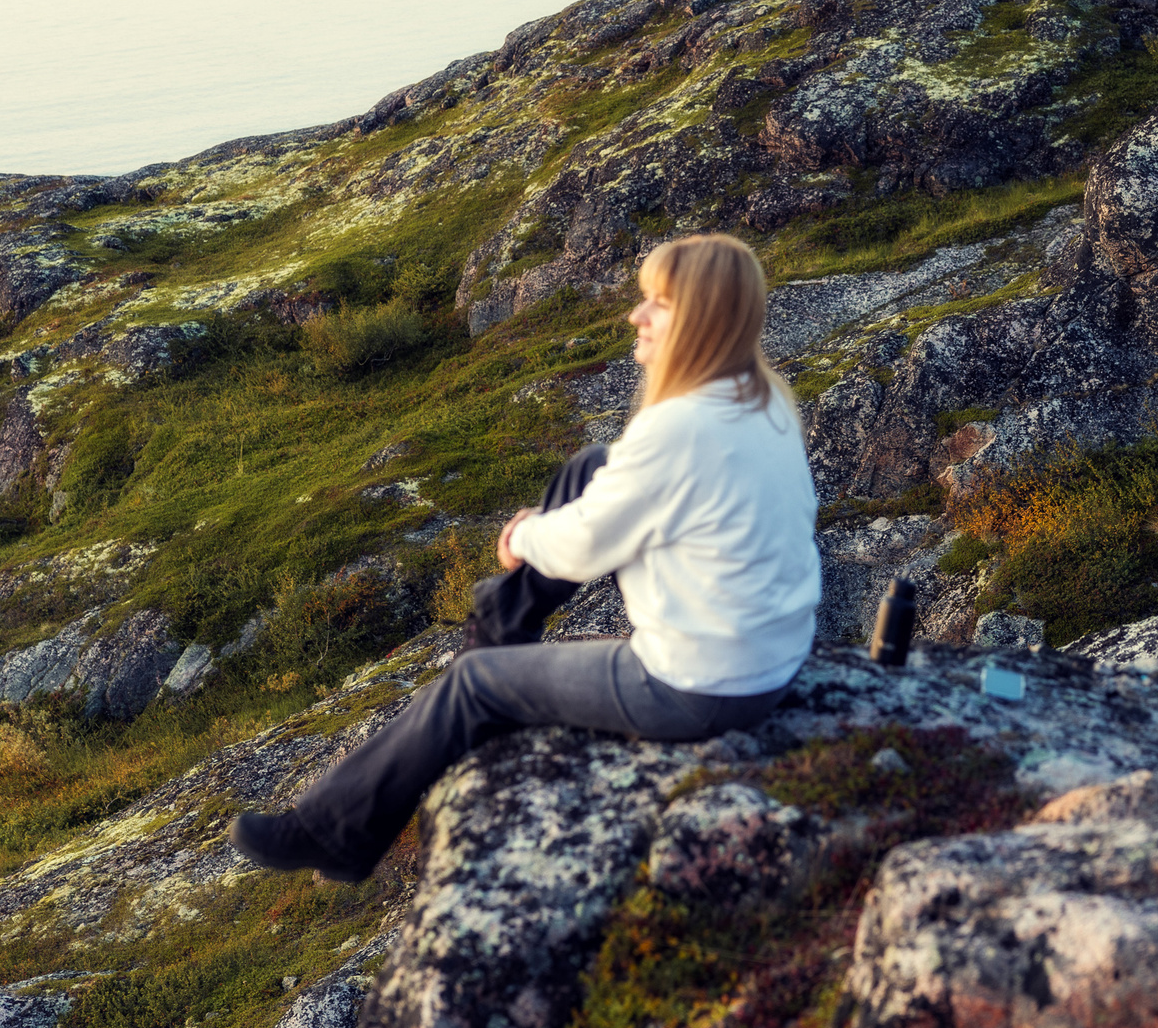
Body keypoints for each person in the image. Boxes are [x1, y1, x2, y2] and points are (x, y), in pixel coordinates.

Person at [229, 233, 820, 882]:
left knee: (471, 685)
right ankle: (502, 630)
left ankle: (330, 832)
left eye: (658, 303)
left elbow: (582, 548)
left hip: (699, 689)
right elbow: (627, 491)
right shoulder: (763, 401)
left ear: (701, 320)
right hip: (771, 661)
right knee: (593, 464)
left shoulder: (679, 427)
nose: (636, 315)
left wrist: (522, 536)